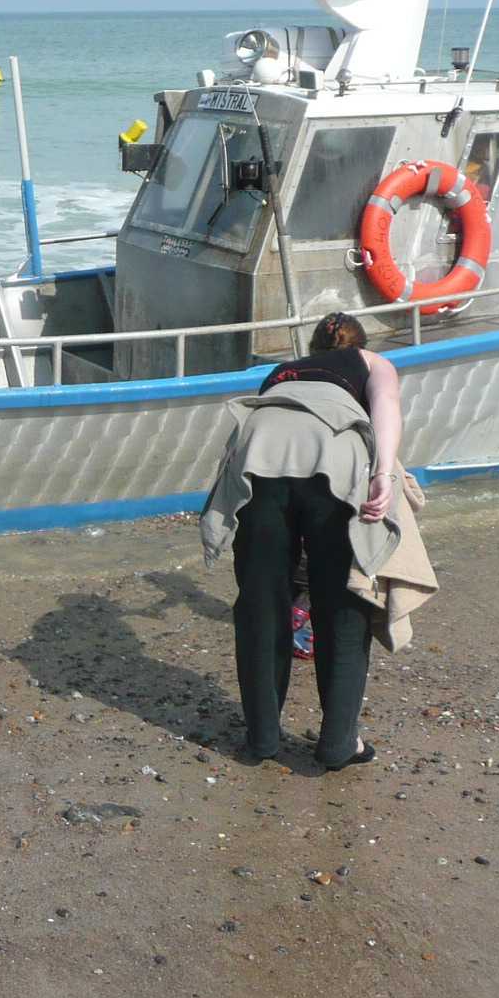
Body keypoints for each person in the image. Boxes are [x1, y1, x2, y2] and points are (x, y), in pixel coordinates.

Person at [199, 312, 403, 769]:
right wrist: (384, 474)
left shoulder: (283, 372)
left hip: (257, 457)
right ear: (360, 345)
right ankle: (338, 744)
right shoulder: (370, 362)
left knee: (261, 599)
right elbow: (387, 405)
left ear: (312, 348)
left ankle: (261, 738)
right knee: (343, 601)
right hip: (332, 457)